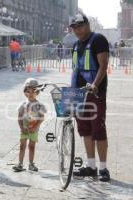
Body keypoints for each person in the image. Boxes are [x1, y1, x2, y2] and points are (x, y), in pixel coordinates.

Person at [70, 13, 110, 182]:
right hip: (78, 94)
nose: (77, 30)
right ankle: (91, 166)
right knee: (85, 129)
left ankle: (103, 168)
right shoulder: (76, 45)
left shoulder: (98, 40)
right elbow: (76, 69)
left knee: (98, 130)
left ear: (87, 25)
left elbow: (103, 65)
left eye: (80, 26)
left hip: (95, 93)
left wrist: (95, 84)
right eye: (74, 28)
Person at [12, 78, 46, 172]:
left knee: (31, 147)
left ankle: (31, 164)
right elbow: (19, 117)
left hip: (34, 130)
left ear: (37, 92)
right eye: (28, 92)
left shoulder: (39, 105)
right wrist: (21, 128)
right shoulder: (23, 104)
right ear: (25, 92)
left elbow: (42, 117)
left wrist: (35, 127)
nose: (30, 94)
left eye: (33, 92)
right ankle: (20, 163)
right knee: (22, 146)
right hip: (24, 129)